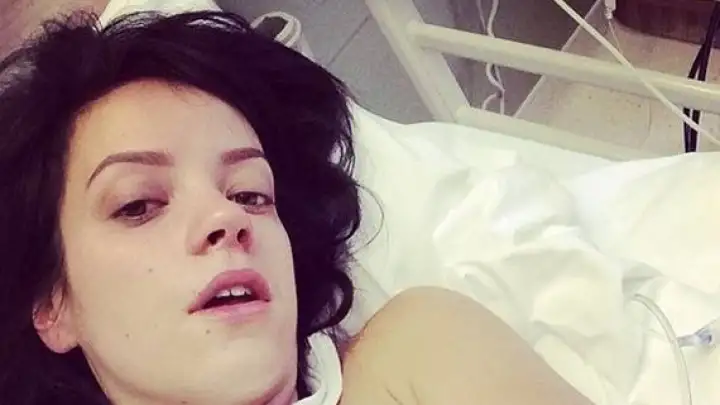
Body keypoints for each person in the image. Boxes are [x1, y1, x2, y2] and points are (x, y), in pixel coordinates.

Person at [0, 10, 592, 405]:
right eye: (139, 204)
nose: (227, 218)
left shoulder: (420, 357)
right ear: (53, 304)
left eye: (250, 194)